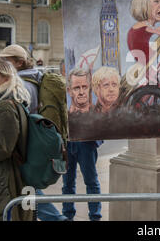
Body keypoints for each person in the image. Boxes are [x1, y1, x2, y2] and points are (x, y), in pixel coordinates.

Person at [0, 44, 68, 221]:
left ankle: (56, 219)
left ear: (19, 63)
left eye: (6, 61)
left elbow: (16, 118)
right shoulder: (36, 78)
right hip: (32, 141)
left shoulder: (20, 85)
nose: (2, 66)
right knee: (27, 187)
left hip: (23, 144)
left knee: (26, 187)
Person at [0, 58, 33, 221]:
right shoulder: (11, 102)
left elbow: (1, 149)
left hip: (3, 183)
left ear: (6, 78)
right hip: (5, 179)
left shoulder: (4, 107)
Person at [64, 68, 102, 221]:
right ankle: (67, 216)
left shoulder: (96, 111)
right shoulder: (65, 110)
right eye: (76, 88)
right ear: (70, 90)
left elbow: (107, 130)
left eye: (84, 87)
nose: (81, 92)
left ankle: (95, 216)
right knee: (67, 183)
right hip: (67, 144)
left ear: (89, 88)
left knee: (91, 182)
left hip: (86, 145)